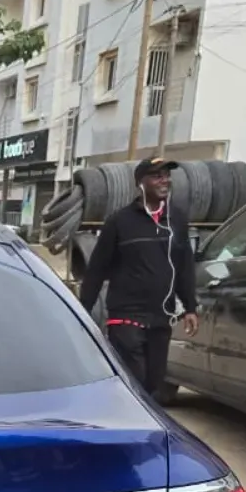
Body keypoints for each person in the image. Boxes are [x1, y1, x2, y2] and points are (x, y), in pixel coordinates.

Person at [78, 157, 199, 398]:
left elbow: (184, 266)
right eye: (157, 176)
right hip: (126, 317)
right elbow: (97, 270)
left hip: (161, 317)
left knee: (154, 383)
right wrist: (82, 312)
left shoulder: (176, 220)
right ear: (140, 183)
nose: (164, 181)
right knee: (133, 382)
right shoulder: (120, 222)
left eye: (167, 175)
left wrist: (190, 307)